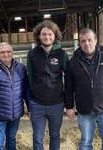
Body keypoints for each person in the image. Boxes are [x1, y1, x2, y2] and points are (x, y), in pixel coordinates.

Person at [65, 28, 103, 150]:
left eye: (89, 40)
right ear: (80, 43)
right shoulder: (74, 61)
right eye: (83, 41)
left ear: (96, 41)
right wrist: (69, 106)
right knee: (85, 143)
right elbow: (68, 86)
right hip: (84, 110)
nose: (86, 43)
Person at [27, 20, 69, 150]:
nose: (47, 37)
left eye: (50, 34)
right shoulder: (32, 54)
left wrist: (68, 103)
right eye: (44, 34)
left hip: (56, 103)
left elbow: (68, 78)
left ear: (55, 35)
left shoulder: (62, 54)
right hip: (37, 104)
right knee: (38, 137)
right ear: (39, 36)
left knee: (55, 135)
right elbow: (30, 79)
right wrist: (29, 102)